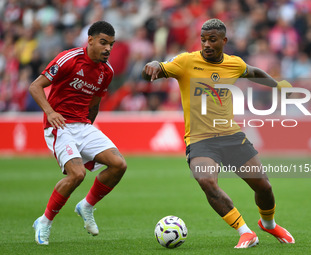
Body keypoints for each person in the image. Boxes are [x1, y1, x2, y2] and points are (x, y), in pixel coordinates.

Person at [142, 18, 295, 249]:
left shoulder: (234, 64)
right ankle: (245, 232)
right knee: (206, 181)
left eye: (212, 40)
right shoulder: (185, 61)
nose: (206, 44)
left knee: (264, 186)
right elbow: (158, 70)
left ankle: (269, 224)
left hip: (231, 136)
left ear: (224, 41)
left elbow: (254, 72)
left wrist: (278, 85)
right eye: (203, 39)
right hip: (200, 140)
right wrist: (152, 64)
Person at [29, 21, 127, 245]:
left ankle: (86, 206)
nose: (108, 49)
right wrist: (50, 112)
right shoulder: (69, 59)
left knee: (119, 164)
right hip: (59, 125)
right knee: (77, 175)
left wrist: (88, 131)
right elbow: (35, 86)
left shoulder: (107, 71)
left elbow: (94, 104)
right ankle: (44, 221)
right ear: (90, 40)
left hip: (82, 126)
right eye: (103, 43)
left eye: (111, 44)